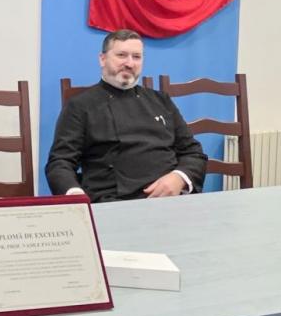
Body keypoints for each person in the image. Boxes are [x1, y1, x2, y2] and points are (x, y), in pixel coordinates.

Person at [45, 29, 207, 202]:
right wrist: (76, 196)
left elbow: (193, 153)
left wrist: (179, 177)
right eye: (121, 55)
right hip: (114, 201)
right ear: (102, 59)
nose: (129, 63)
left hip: (172, 199)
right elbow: (60, 163)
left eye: (136, 57)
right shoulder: (80, 105)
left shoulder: (161, 100)